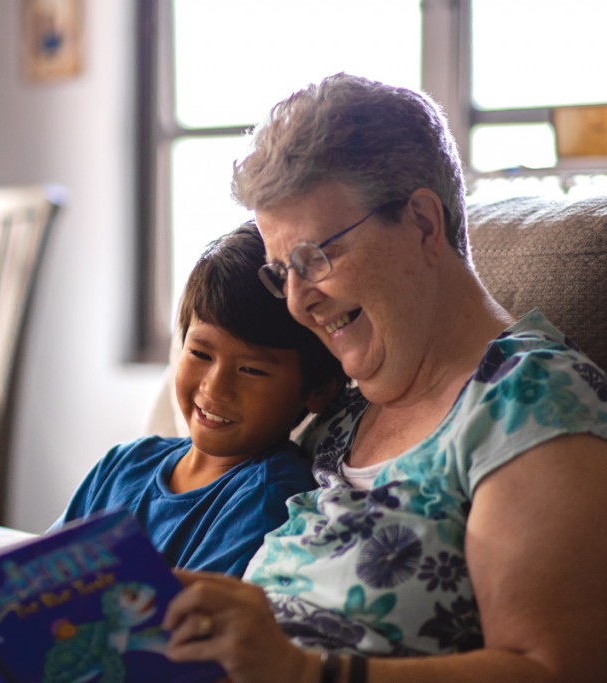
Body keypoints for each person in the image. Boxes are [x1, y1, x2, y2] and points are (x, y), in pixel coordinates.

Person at [162, 73, 607, 683]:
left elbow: (555, 669)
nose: (297, 302)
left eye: (316, 258)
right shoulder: (343, 408)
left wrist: (301, 671)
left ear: (424, 223)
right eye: (282, 271)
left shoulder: (533, 406)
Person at [54, 223, 347, 576]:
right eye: (200, 354)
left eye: (251, 370)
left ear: (319, 389)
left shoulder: (268, 497)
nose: (214, 388)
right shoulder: (122, 465)